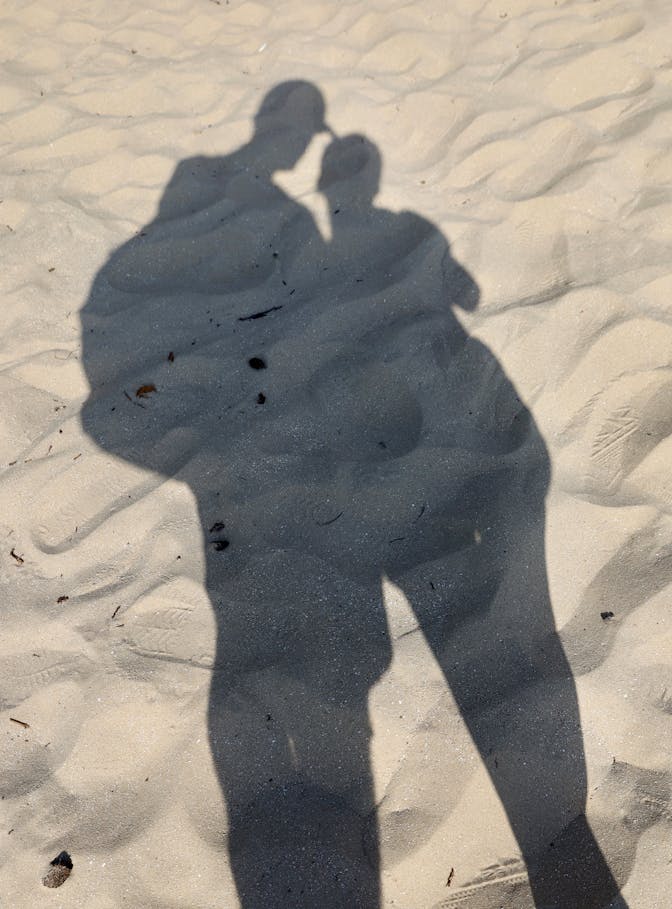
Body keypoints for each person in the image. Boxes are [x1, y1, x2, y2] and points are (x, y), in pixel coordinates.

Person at [81, 85, 625, 906]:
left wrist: (198, 466)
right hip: (313, 496)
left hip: (288, 495)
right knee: (384, 683)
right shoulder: (321, 232)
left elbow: (106, 399)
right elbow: (466, 294)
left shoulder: (248, 235)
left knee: (325, 693)